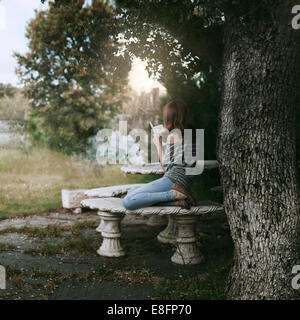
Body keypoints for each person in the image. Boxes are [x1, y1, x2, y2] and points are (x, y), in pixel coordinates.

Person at [122, 99, 197, 210]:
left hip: (173, 181)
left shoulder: (173, 136)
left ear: (169, 117)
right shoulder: (191, 134)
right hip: (183, 182)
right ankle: (177, 202)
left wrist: (158, 144)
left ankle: (174, 195)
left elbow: (165, 168)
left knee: (128, 201)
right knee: (131, 192)